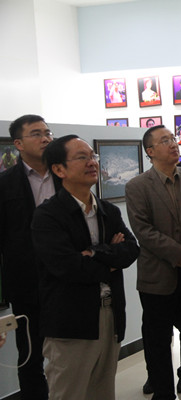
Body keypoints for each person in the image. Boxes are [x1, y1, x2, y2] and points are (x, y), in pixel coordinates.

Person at [31, 135, 139, 400]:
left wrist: (95, 253)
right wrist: (109, 260)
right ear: (59, 169)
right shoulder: (48, 215)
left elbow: (130, 251)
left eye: (93, 156)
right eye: (82, 157)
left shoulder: (108, 210)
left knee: (103, 392)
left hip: (111, 314)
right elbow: (68, 267)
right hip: (71, 321)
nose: (92, 162)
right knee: (69, 393)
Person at [125, 125, 181, 400]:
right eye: (164, 141)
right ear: (150, 151)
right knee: (158, 341)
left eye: (173, 138)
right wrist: (178, 253)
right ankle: (163, 393)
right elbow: (143, 230)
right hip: (157, 277)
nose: (173, 143)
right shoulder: (137, 186)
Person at [0, 115, 60, 400]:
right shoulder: (5, 184)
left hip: (67, 279)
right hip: (26, 284)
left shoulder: (65, 175)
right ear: (19, 144)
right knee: (30, 354)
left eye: (48, 132)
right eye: (36, 134)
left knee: (70, 351)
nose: (46, 138)